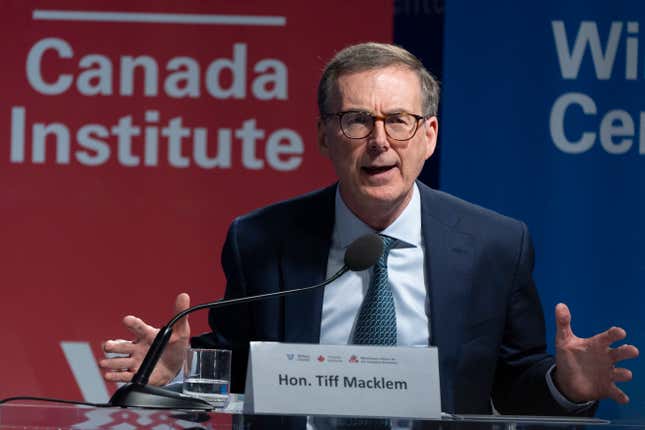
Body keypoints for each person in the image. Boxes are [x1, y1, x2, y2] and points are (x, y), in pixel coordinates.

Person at [101, 42, 638, 418]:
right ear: (324, 136)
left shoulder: (496, 244)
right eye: (357, 120)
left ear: (429, 135)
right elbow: (243, 364)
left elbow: (512, 381)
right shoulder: (261, 239)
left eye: (399, 121)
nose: (379, 141)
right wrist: (181, 367)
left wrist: (565, 385)